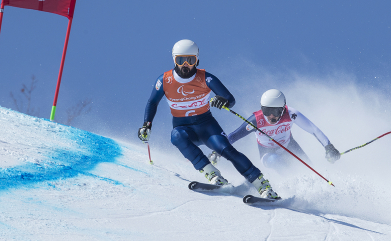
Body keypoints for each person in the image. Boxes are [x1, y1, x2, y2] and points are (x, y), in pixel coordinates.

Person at [138, 39, 279, 199]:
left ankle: (263, 186)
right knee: (176, 136)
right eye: (180, 60)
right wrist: (146, 125)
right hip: (184, 129)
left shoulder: (205, 78)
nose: (186, 65)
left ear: (197, 60)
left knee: (227, 151)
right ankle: (214, 176)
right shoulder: (164, 80)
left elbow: (230, 99)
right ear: (174, 60)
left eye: (190, 60)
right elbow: (152, 102)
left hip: (207, 128)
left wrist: (223, 101)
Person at [208, 89, 341, 171]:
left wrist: (329, 147)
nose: (271, 116)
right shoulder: (256, 120)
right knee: (275, 162)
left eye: (276, 111)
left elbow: (314, 130)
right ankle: (290, 189)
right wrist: (217, 152)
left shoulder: (291, 113)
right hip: (267, 153)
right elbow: (233, 136)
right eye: (267, 110)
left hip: (290, 147)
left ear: (283, 108)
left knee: (310, 170)